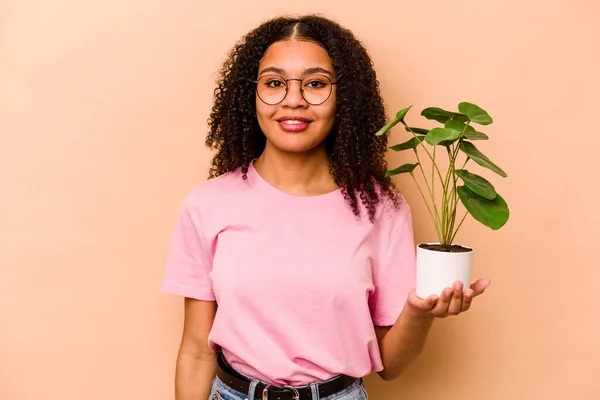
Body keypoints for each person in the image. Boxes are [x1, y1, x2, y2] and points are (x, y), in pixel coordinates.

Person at [160, 14, 490, 400]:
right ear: (250, 96)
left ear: (343, 98)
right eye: (274, 83)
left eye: (316, 83)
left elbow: (391, 366)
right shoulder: (208, 203)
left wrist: (419, 314)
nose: (294, 99)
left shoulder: (382, 208)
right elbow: (197, 352)